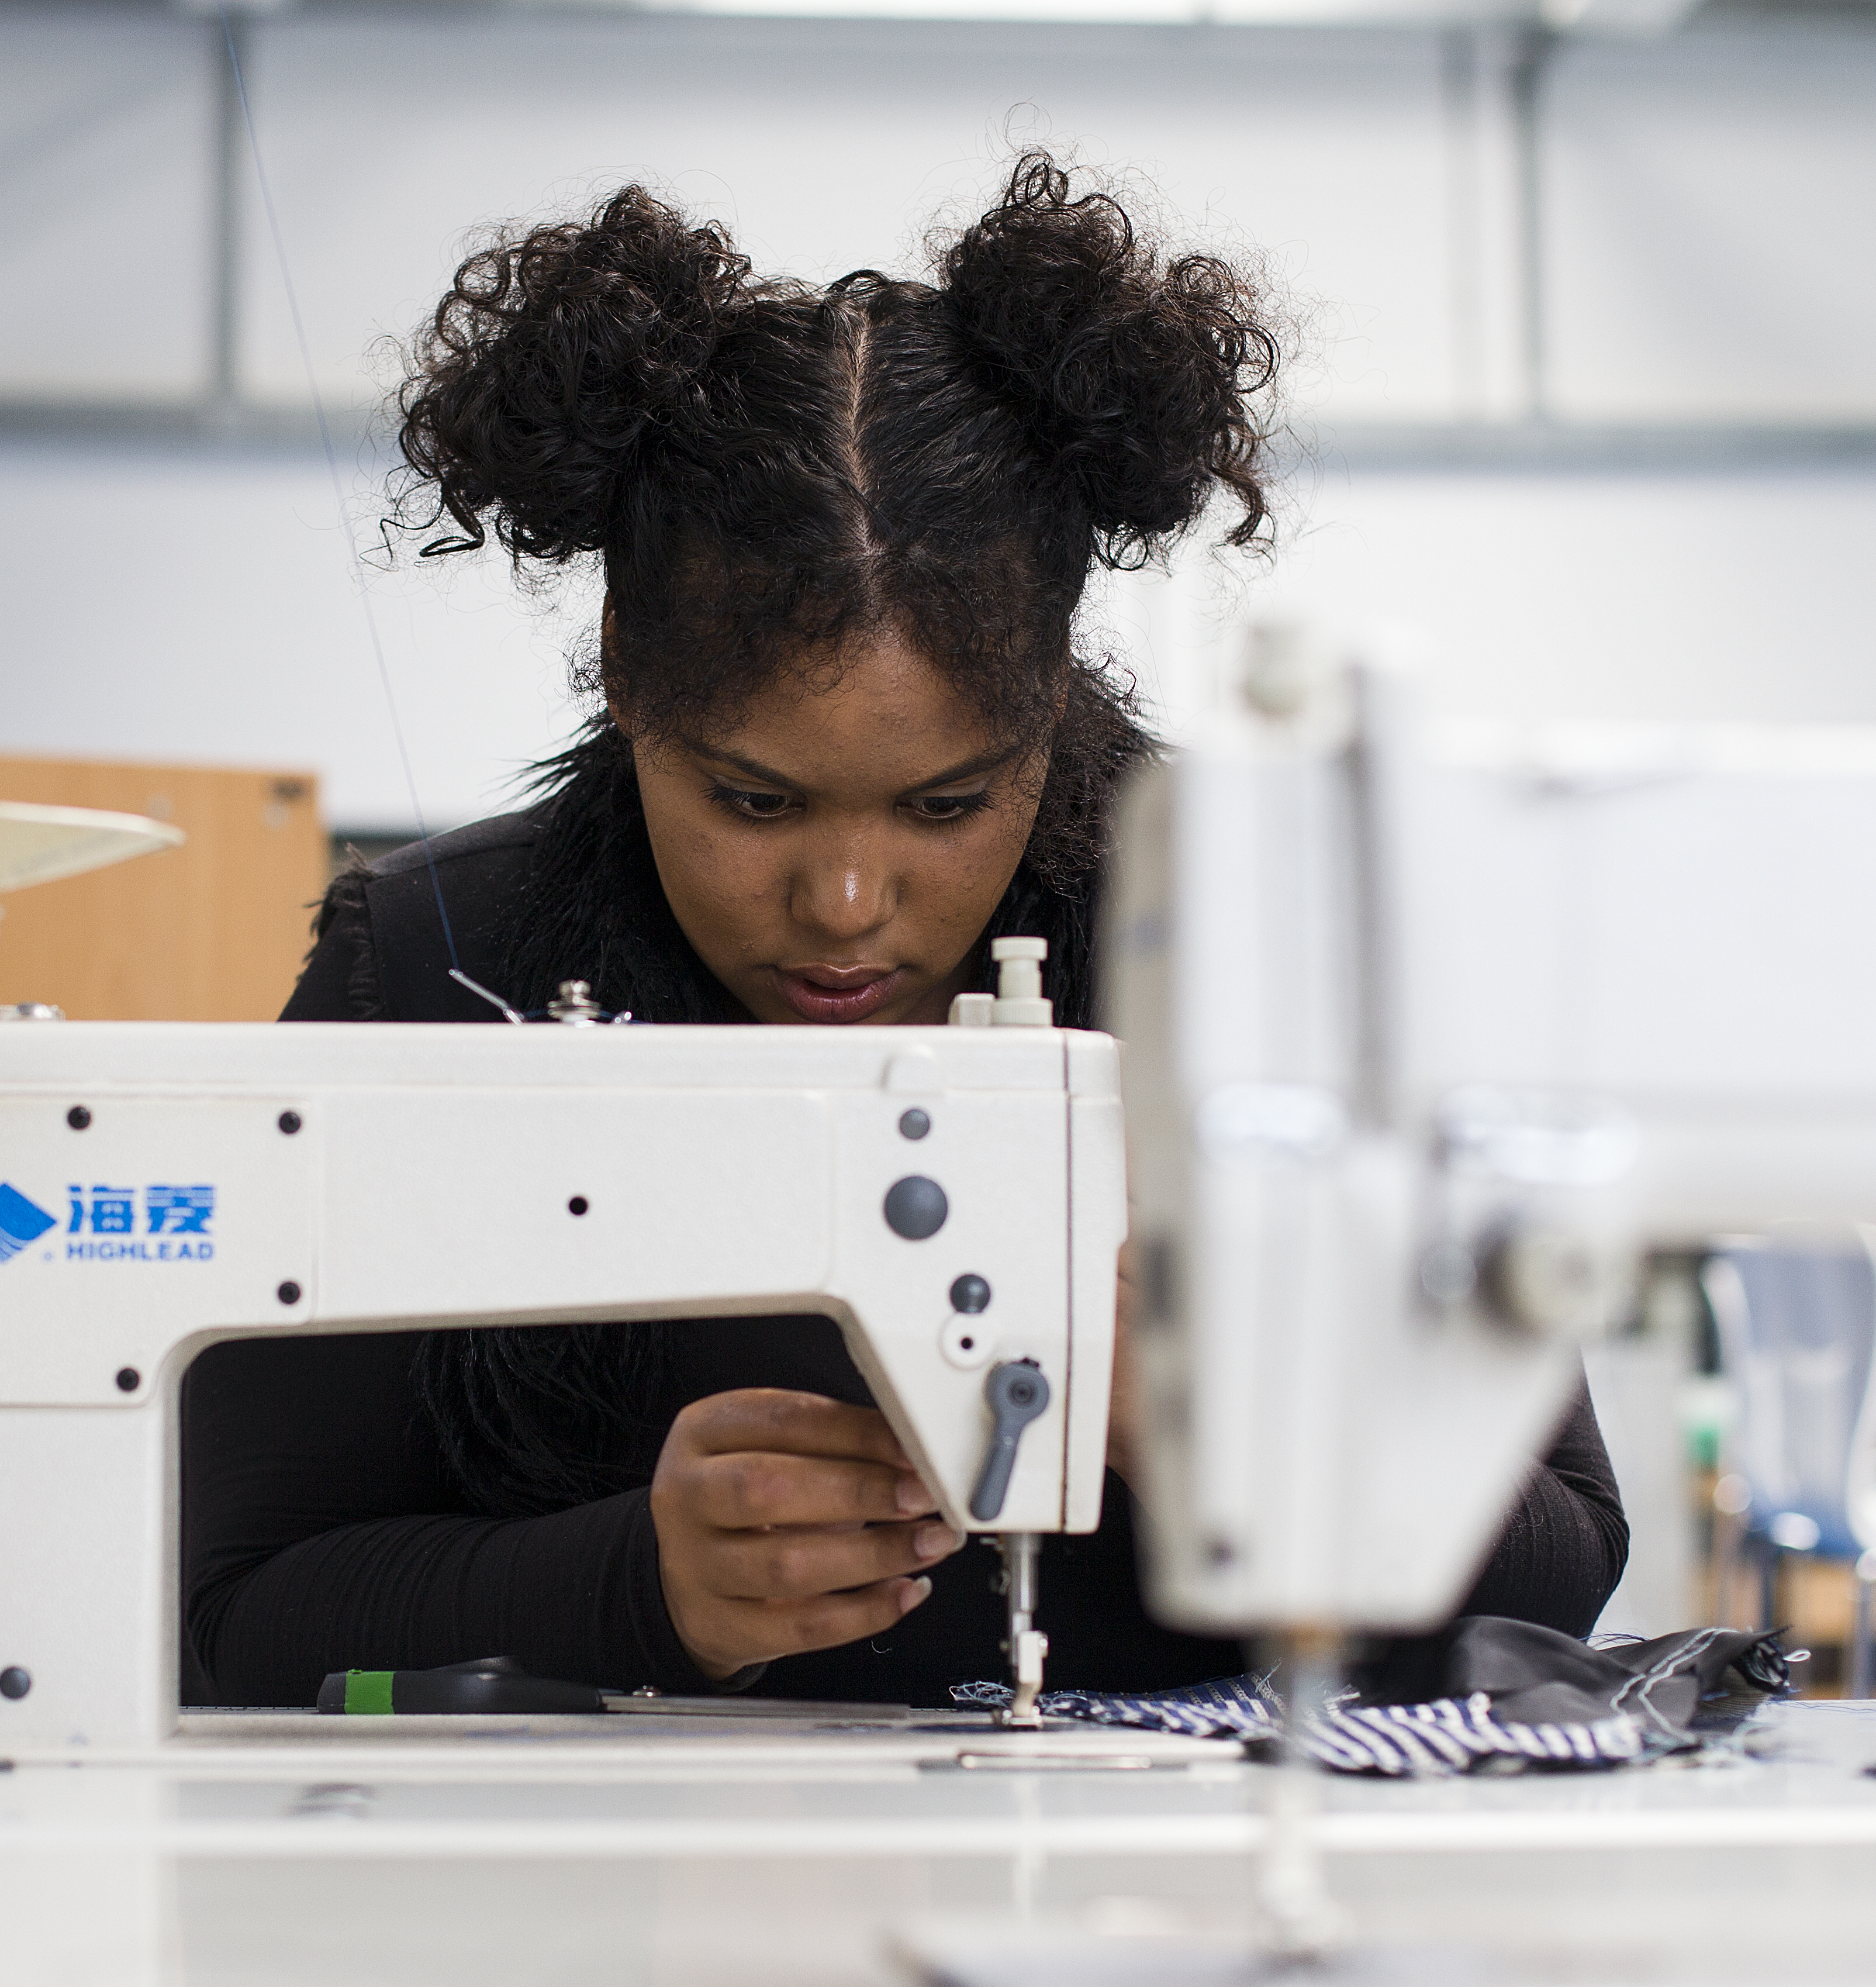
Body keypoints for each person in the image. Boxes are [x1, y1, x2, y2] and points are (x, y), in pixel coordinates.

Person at [183, 155, 1628, 1705]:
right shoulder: (433, 965)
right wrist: (641, 1588)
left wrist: (1242, 1431)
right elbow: (229, 1613)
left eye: (948, 805)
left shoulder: (1275, 944)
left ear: (1052, 693)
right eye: (753, 801)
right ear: (624, 673)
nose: (847, 906)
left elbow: (1571, 1564)